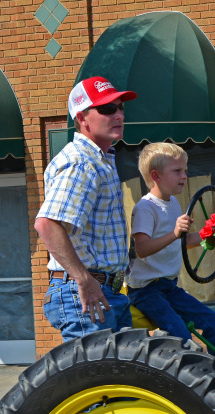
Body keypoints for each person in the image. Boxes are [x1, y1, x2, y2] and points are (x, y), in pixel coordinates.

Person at [35, 76, 137, 341]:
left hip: (104, 289)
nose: (118, 114)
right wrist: (84, 280)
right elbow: (47, 224)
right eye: (106, 109)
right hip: (85, 290)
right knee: (98, 379)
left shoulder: (99, 160)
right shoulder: (82, 163)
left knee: (121, 378)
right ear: (82, 118)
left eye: (120, 107)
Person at [125, 142, 215, 369]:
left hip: (169, 287)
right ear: (156, 175)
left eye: (185, 170)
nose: (184, 176)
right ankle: (192, 385)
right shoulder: (145, 208)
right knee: (181, 336)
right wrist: (174, 232)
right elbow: (142, 249)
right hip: (146, 291)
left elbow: (185, 241)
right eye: (177, 171)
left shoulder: (174, 203)